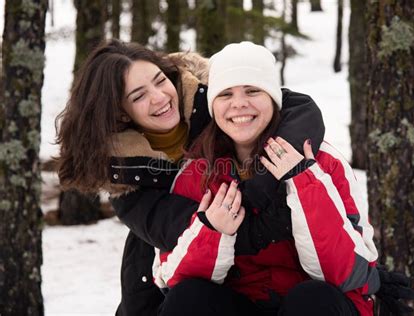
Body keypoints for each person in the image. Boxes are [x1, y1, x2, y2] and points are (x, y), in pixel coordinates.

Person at [55, 39, 326, 316]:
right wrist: (265, 210)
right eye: (138, 96)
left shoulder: (212, 100)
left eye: (160, 80)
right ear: (121, 114)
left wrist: (260, 185)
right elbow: (215, 231)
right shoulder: (127, 181)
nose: (160, 97)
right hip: (186, 287)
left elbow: (298, 108)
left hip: (278, 277)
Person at [149, 41, 380, 316]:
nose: (239, 104)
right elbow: (170, 278)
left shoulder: (323, 161)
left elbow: (349, 274)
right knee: (187, 298)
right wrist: (212, 230)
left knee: (312, 299)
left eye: (252, 90)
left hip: (314, 304)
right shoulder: (195, 172)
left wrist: (303, 182)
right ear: (213, 105)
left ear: (273, 98)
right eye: (225, 94)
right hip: (241, 302)